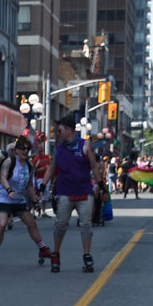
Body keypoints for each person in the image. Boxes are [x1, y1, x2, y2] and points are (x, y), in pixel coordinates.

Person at [41, 117, 101, 274]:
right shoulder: (58, 149)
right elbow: (51, 168)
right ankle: (56, 254)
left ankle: (87, 255)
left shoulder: (85, 145)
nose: (58, 133)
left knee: (86, 224)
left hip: (84, 191)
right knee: (61, 224)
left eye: (59, 130)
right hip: (64, 192)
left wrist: (101, 185)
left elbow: (94, 166)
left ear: (68, 130)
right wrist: (42, 185)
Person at [0, 137, 52, 269]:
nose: (25, 151)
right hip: (4, 198)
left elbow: (29, 185)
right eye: (22, 148)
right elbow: (3, 177)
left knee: (31, 222)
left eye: (28, 149)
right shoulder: (9, 162)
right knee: (2, 224)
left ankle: (42, 249)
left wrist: (35, 198)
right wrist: (9, 190)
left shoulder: (29, 166)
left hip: (18, 199)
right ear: (16, 150)